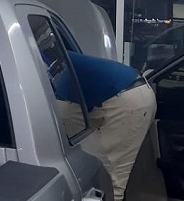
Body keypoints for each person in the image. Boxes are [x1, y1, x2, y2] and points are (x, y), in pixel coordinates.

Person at [65, 52, 157, 201]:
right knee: (104, 166)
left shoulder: (38, 64)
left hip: (127, 101)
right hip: (133, 90)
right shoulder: (49, 52)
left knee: (111, 174)